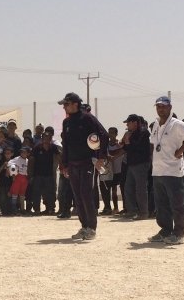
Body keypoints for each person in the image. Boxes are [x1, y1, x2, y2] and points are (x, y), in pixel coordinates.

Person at [58, 92, 109, 241]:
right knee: (77, 196)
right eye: (63, 105)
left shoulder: (87, 118)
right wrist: (65, 164)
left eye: (66, 104)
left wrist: (100, 157)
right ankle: (84, 226)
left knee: (86, 194)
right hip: (73, 164)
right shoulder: (66, 122)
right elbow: (65, 144)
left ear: (75, 104)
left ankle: (91, 228)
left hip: (87, 162)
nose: (64, 107)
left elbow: (103, 135)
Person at [148, 96, 184, 244]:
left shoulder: (177, 124)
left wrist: (180, 150)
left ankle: (179, 233)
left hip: (172, 171)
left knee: (176, 204)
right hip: (158, 171)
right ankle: (165, 230)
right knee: (161, 204)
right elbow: (153, 143)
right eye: (158, 106)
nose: (160, 109)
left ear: (170, 108)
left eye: (163, 106)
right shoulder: (156, 124)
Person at [118, 114, 152, 220]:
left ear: (135, 123)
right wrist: (124, 143)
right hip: (132, 164)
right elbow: (128, 149)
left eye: (128, 123)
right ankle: (132, 211)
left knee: (140, 189)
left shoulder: (144, 133)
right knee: (128, 188)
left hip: (141, 164)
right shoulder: (131, 134)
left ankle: (143, 212)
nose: (127, 125)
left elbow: (139, 147)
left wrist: (128, 141)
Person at [6, 145, 30, 214]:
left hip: (25, 178)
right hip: (18, 177)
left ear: (28, 153)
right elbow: (9, 163)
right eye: (22, 152)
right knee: (15, 193)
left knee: (22, 194)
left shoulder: (27, 161)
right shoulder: (17, 159)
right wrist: (13, 171)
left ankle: (22, 209)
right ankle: (13, 209)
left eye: (25, 152)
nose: (23, 153)